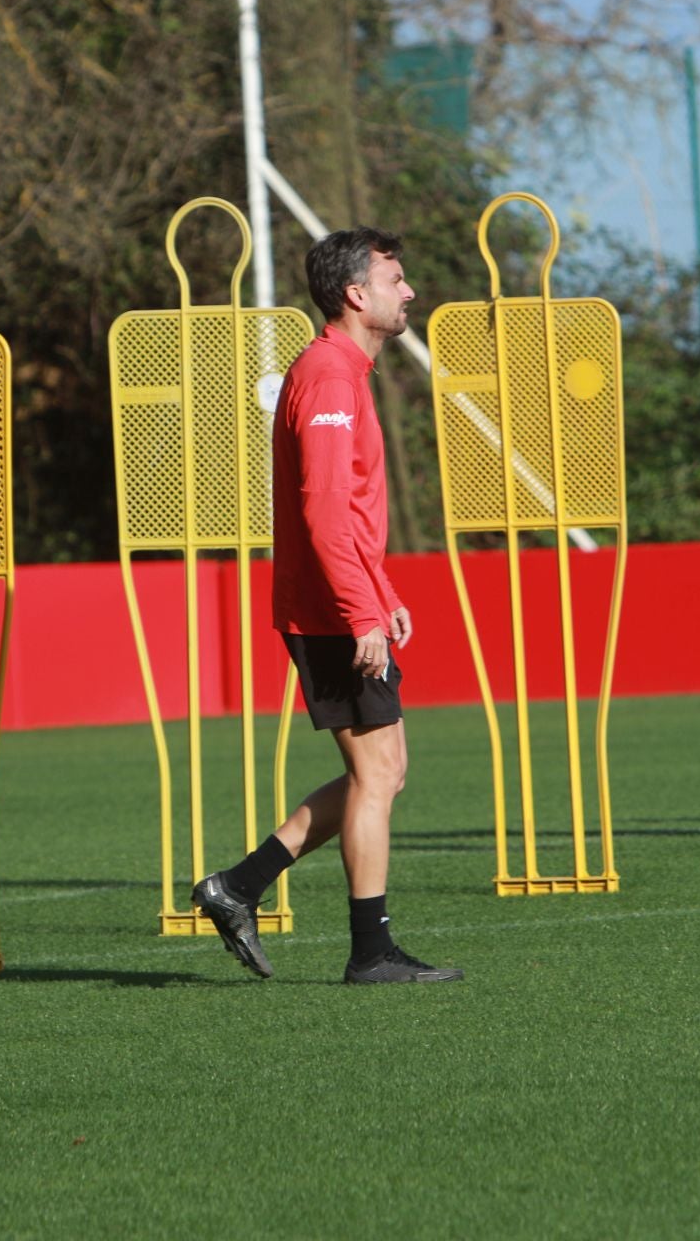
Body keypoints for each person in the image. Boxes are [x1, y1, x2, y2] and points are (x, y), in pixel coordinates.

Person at [190, 227, 463, 983]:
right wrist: (361, 614)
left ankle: (238, 886)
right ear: (356, 294)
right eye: (396, 278)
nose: (408, 291)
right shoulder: (331, 378)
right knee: (377, 778)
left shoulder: (341, 372)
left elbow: (346, 510)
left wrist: (383, 593)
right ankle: (370, 954)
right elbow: (322, 515)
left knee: (386, 770)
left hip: (340, 602)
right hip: (328, 611)